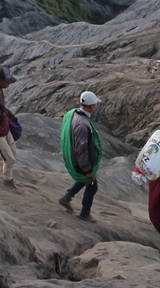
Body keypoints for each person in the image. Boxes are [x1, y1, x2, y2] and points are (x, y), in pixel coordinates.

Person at [59, 90, 102, 221]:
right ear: (92, 106)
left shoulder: (74, 114)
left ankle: (67, 197)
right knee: (92, 185)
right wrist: (88, 169)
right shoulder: (82, 124)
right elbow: (81, 149)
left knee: (85, 180)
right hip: (82, 162)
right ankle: (85, 213)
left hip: (79, 160)